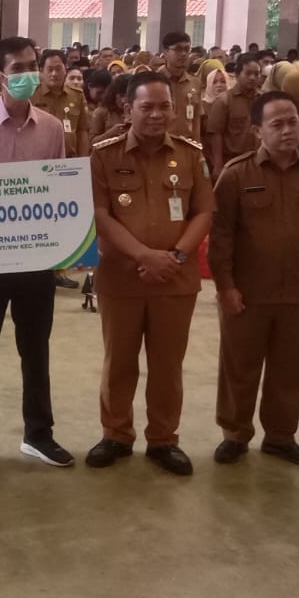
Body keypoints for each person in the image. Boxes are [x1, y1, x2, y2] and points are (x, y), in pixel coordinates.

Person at [0, 36, 75, 476]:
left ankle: (38, 434)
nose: (28, 74)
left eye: (32, 65)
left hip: (35, 261)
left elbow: (58, 192)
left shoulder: (52, 128)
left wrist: (62, 250)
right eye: (18, 68)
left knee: (35, 349)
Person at [208, 91, 299, 466]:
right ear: (257, 131)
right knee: (239, 367)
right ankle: (235, 434)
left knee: (292, 370)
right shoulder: (237, 174)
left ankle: (281, 436)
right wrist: (226, 286)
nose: (289, 131)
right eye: (277, 124)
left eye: (293, 122)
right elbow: (220, 237)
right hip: (248, 294)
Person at [85, 71, 214, 476]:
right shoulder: (104, 154)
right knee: (119, 361)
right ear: (128, 108)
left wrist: (174, 256)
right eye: (147, 107)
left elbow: (204, 211)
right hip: (122, 278)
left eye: (164, 107)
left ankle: (163, 438)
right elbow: (100, 214)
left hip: (175, 278)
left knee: (167, 364)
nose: (157, 115)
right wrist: (143, 255)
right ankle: (116, 435)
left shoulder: (192, 154)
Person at [204, 53, 264, 181]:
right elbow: (215, 134)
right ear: (237, 75)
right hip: (232, 162)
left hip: (259, 162)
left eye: (256, 74)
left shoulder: (263, 99)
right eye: (248, 73)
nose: (253, 78)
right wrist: (218, 165)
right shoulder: (224, 101)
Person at [30, 49, 92, 158]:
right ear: (41, 71)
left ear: (65, 70)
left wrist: (84, 161)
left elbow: (82, 131)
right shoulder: (31, 95)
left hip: (69, 159)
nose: (54, 74)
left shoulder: (77, 95)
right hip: (39, 159)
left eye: (58, 69)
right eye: (50, 69)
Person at [160, 32, 202, 140]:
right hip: (161, 144)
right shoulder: (153, 81)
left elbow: (196, 120)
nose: (183, 54)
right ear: (165, 52)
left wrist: (197, 148)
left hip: (186, 145)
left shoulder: (195, 83)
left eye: (187, 49)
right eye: (178, 49)